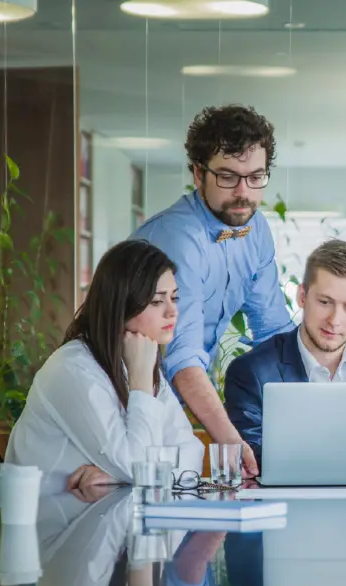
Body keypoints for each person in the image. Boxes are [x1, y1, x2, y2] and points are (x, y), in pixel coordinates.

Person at [131, 104, 295, 475]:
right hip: (124, 398)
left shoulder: (256, 229)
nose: (243, 192)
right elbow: (181, 355)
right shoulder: (179, 237)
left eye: (255, 177)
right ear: (197, 173)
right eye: (227, 177)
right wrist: (232, 442)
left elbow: (274, 333)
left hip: (171, 404)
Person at [5, 239, 204, 493]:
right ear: (121, 305)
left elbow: (192, 454)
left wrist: (123, 476)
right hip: (44, 521)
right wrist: (141, 381)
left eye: (174, 298)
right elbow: (138, 469)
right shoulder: (74, 368)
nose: (172, 311)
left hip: (100, 517)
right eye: (157, 301)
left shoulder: (135, 361)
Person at [224, 239, 346, 466]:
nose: (335, 320)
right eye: (324, 302)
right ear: (302, 296)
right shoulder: (251, 371)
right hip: (290, 499)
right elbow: (254, 461)